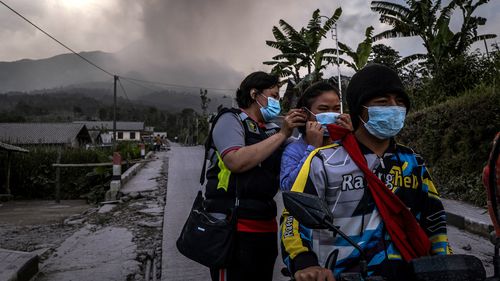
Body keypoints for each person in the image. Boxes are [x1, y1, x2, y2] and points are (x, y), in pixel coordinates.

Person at [281, 64, 451, 281]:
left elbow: (434, 218)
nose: (394, 107)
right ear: (360, 109)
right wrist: (304, 262)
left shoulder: (412, 162)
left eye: (399, 102)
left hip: (410, 273)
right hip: (342, 275)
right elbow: (291, 219)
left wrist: (444, 262)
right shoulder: (323, 161)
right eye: (382, 102)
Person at [204, 71, 306, 281]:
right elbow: (236, 161)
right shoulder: (230, 120)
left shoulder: (271, 129)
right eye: (274, 96)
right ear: (254, 94)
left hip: (265, 226)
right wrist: (282, 134)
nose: (277, 101)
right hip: (232, 229)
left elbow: (302, 155)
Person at [280, 81, 353, 191]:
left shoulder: (342, 143)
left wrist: (351, 139)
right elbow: (288, 188)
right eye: (323, 109)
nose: (331, 114)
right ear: (305, 113)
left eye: (336, 108)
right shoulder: (294, 150)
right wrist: (312, 149)